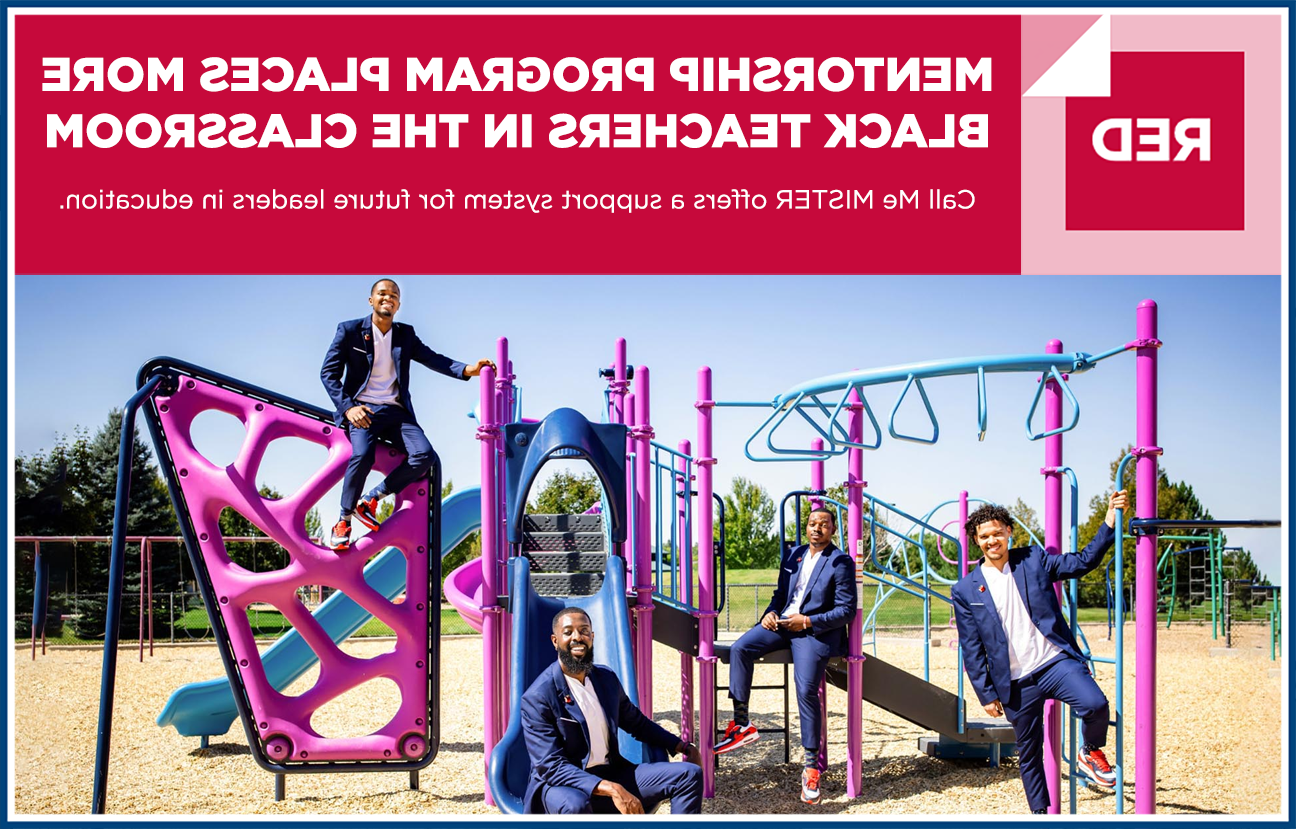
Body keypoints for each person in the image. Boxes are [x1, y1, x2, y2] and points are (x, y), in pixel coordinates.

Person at [951, 490, 1130, 814]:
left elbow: (1082, 562)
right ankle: (1039, 814)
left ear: (1009, 532)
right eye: (984, 536)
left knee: (1094, 703)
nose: (992, 541)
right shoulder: (965, 589)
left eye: (997, 533)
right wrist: (986, 693)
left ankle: (1090, 750)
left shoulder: (1032, 559)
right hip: (1016, 682)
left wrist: (1109, 519)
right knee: (1030, 753)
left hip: (1053, 662)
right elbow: (972, 646)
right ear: (977, 541)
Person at [320, 279, 494, 551]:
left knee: (425, 456)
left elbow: (433, 358)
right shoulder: (350, 330)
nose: (388, 298)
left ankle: (372, 498)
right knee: (362, 454)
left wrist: (469, 369)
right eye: (382, 294)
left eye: (394, 296)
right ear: (371, 300)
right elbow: (328, 374)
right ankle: (343, 519)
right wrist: (348, 408)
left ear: (399, 305)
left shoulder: (405, 335)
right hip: (362, 409)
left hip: (396, 412)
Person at [714, 507, 857, 805]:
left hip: (812, 631)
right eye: (812, 524)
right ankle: (742, 724)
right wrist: (770, 613)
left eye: (823, 524)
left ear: (832, 529)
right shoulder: (794, 556)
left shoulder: (840, 561)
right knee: (741, 648)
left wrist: (806, 621)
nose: (816, 528)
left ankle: (810, 767)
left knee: (805, 689)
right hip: (783, 623)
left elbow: (846, 610)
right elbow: (780, 595)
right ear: (806, 527)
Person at [520, 608, 704, 814]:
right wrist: (611, 788)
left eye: (583, 630)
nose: (577, 637)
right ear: (555, 641)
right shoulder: (538, 696)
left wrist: (682, 745)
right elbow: (551, 766)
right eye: (568, 632)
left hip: (610, 772)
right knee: (576, 806)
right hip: (562, 785)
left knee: (689, 775)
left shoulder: (606, 679)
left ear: (592, 637)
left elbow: (637, 723)